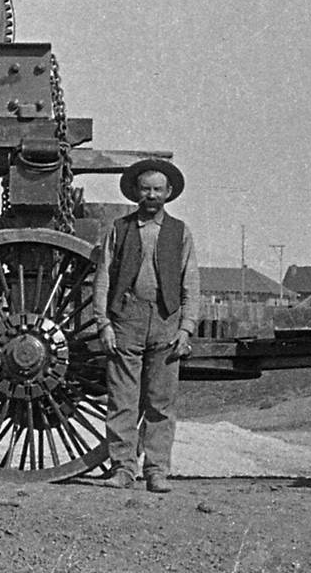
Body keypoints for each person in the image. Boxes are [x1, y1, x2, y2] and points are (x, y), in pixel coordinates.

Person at [92, 158, 199, 493]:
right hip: (126, 320)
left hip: (166, 322)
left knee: (160, 403)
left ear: (167, 194)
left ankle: (157, 471)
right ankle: (123, 469)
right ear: (136, 193)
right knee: (122, 399)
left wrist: (186, 327)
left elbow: (190, 282)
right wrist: (103, 323)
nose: (151, 195)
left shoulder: (180, 232)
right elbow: (103, 277)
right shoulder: (119, 230)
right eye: (145, 189)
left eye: (157, 190)